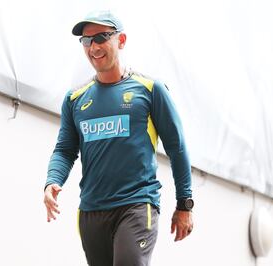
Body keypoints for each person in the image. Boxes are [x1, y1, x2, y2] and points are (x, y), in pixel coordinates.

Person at [43, 10, 194, 266]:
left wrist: (185, 205)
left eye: (101, 37)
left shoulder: (149, 90)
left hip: (136, 206)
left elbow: (176, 148)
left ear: (121, 41)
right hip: (91, 211)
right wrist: (52, 182)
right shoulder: (75, 99)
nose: (94, 47)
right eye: (86, 40)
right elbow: (65, 150)